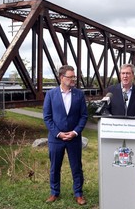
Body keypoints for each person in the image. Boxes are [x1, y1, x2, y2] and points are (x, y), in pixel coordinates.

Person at [43, 65, 88, 205]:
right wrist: (58, 134)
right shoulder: (50, 94)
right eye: (70, 77)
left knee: (76, 167)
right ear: (62, 78)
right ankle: (54, 192)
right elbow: (47, 117)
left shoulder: (79, 95)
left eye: (74, 76)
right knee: (55, 167)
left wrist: (75, 132)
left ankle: (78, 194)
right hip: (56, 139)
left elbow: (84, 116)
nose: (73, 79)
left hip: (74, 139)